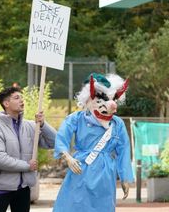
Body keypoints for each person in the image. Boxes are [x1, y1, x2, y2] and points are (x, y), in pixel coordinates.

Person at [53, 73, 134, 212]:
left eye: (114, 98)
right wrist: (68, 157)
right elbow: (62, 137)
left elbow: (124, 150)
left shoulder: (117, 123)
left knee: (102, 206)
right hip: (81, 167)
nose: (112, 104)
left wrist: (125, 177)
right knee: (74, 204)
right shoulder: (76, 118)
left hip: (106, 172)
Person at [0, 86, 57, 212]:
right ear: (6, 103)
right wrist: (27, 166)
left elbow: (54, 142)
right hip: (1, 187)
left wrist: (43, 124)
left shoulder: (30, 126)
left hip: (23, 188)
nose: (22, 100)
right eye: (17, 98)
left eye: (22, 97)